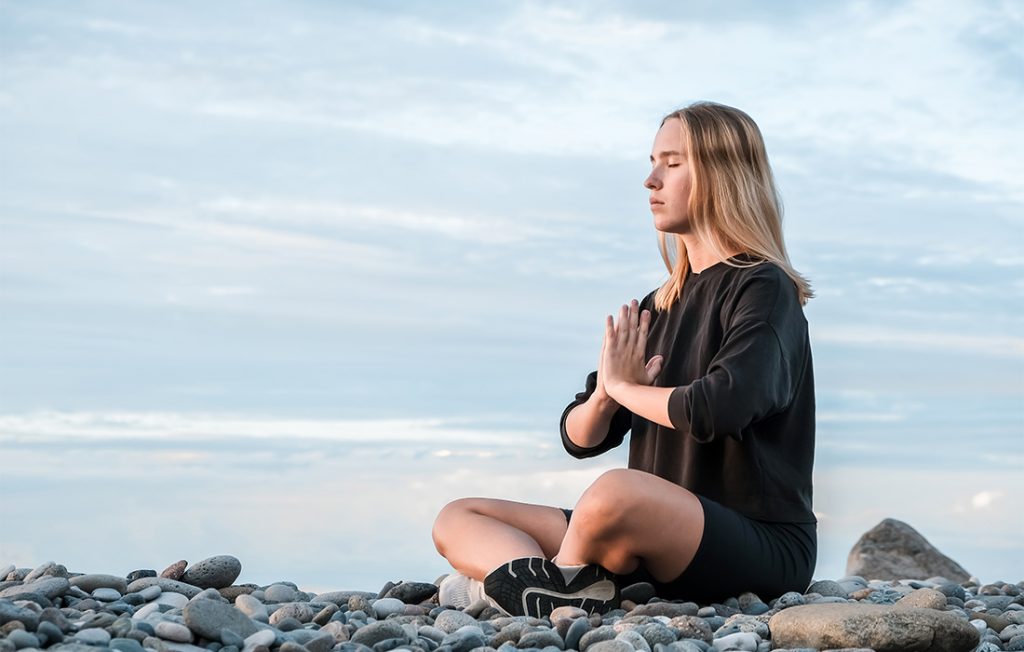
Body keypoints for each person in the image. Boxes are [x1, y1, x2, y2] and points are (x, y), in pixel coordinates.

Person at [431, 101, 817, 618]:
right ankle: (541, 584)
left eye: (673, 163)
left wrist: (627, 389)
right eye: (653, 161)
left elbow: (721, 406)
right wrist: (605, 396)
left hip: (760, 544)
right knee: (459, 515)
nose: (650, 180)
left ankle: (524, 588)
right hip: (644, 540)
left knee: (618, 492)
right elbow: (579, 437)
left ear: (724, 174)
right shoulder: (657, 306)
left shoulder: (764, 288)